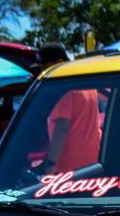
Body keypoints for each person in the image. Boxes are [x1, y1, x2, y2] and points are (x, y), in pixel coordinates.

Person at [38, 44, 102, 174]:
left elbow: (61, 128)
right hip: (92, 164)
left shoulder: (63, 89)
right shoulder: (86, 84)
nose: (42, 72)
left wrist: (51, 164)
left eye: (45, 67)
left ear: (59, 62)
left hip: (68, 168)